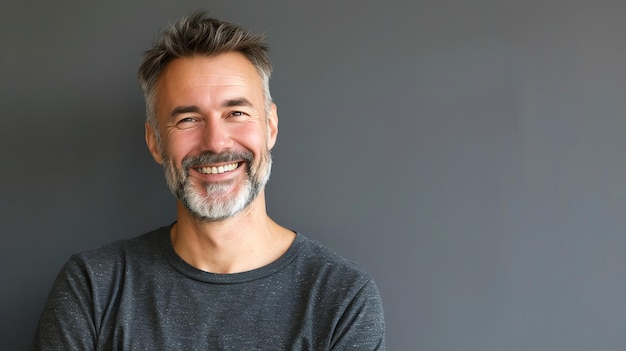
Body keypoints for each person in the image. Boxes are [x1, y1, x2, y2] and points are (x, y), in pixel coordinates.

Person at [30, 10, 385, 350]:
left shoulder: (341, 297)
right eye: (188, 119)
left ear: (271, 125)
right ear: (155, 141)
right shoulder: (93, 287)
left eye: (236, 113)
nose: (215, 142)